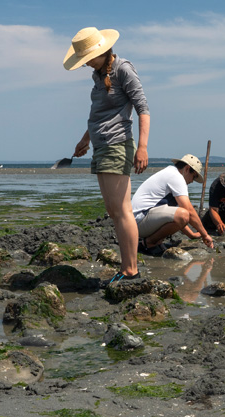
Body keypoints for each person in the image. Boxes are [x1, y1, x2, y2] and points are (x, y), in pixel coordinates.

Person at [65, 26, 150, 283]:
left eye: (88, 58)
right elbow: (99, 114)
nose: (87, 64)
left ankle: (131, 270)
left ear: (102, 51)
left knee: (123, 210)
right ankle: (126, 267)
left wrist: (143, 147)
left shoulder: (123, 68)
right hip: (101, 146)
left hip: (118, 144)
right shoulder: (98, 74)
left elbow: (143, 108)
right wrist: (84, 139)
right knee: (113, 210)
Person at [131, 154, 214, 255]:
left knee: (181, 214)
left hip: (138, 221)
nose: (192, 181)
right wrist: (205, 234)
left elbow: (174, 217)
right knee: (184, 214)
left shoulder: (170, 173)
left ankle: (154, 241)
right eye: (194, 176)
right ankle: (149, 243)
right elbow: (188, 212)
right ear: (187, 169)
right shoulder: (176, 177)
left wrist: (191, 235)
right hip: (138, 222)